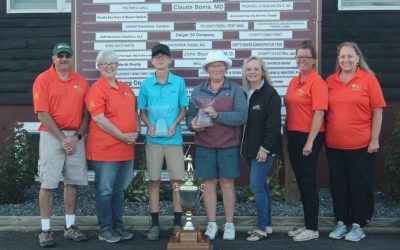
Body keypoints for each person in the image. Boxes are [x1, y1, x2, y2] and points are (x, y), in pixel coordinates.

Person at [325, 42, 386, 242]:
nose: (346, 60)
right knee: (339, 185)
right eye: (342, 56)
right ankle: (342, 222)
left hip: (361, 144)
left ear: (358, 58)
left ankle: (359, 224)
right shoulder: (330, 81)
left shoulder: (368, 80)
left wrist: (375, 139)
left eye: (350, 56)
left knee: (360, 185)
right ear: (338, 60)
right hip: (334, 145)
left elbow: (377, 111)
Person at [32, 42, 89, 247]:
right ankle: (45, 230)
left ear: (72, 58)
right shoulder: (43, 80)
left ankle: (70, 227)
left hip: (75, 137)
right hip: (51, 135)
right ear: (53, 58)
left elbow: (86, 114)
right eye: (60, 55)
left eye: (67, 55)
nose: (64, 59)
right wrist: (62, 138)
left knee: (72, 182)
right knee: (47, 183)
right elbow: (42, 113)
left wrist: (76, 137)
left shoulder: (81, 81)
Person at [186, 51, 247, 241]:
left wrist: (217, 115)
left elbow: (241, 116)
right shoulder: (198, 91)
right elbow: (190, 117)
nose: (216, 69)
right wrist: (192, 125)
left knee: (227, 183)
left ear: (225, 68)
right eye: (212, 66)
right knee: (208, 184)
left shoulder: (235, 90)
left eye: (220, 65)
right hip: (204, 144)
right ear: (207, 69)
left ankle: (229, 224)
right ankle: (212, 223)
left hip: (228, 145)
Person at [85, 50, 140, 243]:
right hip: (105, 151)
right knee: (105, 191)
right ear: (99, 67)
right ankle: (105, 229)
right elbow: (99, 118)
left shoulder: (126, 88)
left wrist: (136, 131)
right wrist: (123, 136)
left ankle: (118, 227)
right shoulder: (96, 89)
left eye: (112, 63)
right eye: (105, 64)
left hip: (126, 150)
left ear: (117, 66)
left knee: (119, 191)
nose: (109, 66)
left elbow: (135, 113)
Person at [138, 43, 189, 241]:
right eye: (156, 57)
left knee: (177, 181)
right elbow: (142, 111)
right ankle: (155, 224)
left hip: (174, 139)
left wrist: (175, 124)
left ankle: (177, 223)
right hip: (153, 140)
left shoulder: (179, 82)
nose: (160, 59)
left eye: (163, 56)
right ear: (152, 61)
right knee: (154, 181)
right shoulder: (145, 84)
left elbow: (184, 108)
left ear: (170, 60)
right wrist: (148, 125)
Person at [284, 40, 328, 241]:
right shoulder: (294, 81)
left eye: (306, 57)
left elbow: (319, 113)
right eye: (299, 56)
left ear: (314, 60)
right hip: (294, 136)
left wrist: (310, 142)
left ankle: (313, 228)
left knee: (308, 182)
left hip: (310, 135)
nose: (301, 60)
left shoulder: (317, 82)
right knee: (301, 182)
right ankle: (307, 223)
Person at [240, 57, 282, 241]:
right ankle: (268, 225)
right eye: (249, 69)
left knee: (256, 186)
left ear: (263, 72)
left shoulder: (270, 94)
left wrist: (264, 149)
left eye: (256, 69)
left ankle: (261, 228)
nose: (252, 72)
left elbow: (273, 126)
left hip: (264, 150)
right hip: (250, 149)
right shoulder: (246, 93)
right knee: (262, 187)